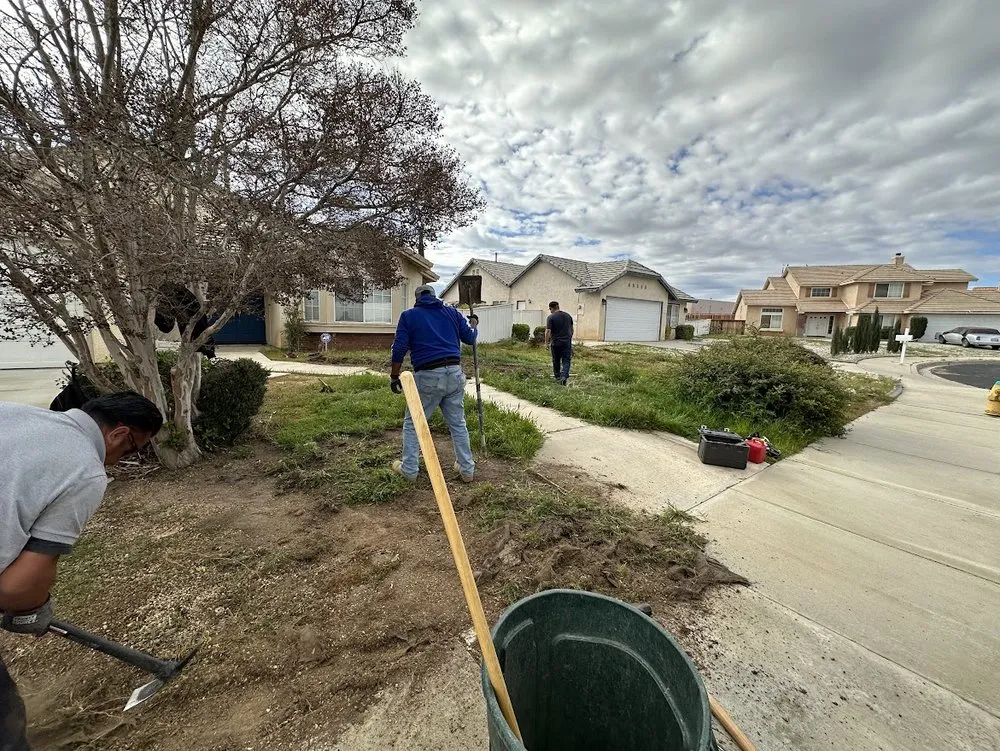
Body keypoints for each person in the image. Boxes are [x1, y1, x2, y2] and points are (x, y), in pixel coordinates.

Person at [0, 392, 163, 750]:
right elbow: (18, 589)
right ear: (119, 435)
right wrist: (31, 610)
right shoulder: (85, 470)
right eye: (134, 450)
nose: (124, 460)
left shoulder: (10, 413)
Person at [389, 285, 478, 482]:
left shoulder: (409, 316)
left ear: (417, 298)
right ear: (434, 296)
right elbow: (470, 338)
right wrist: (473, 325)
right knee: (458, 423)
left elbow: (399, 349)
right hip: (455, 374)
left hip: (428, 375)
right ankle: (466, 469)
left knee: (413, 422)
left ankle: (410, 470)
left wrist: (395, 376)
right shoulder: (452, 313)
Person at [545, 301, 574, 385]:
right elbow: (572, 330)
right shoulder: (568, 316)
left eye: (550, 309)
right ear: (558, 306)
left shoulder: (551, 317)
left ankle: (558, 377)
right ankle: (564, 376)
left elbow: (548, 331)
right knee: (566, 360)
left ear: (551, 308)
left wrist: (546, 343)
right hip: (566, 342)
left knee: (556, 360)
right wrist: (569, 338)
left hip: (556, 342)